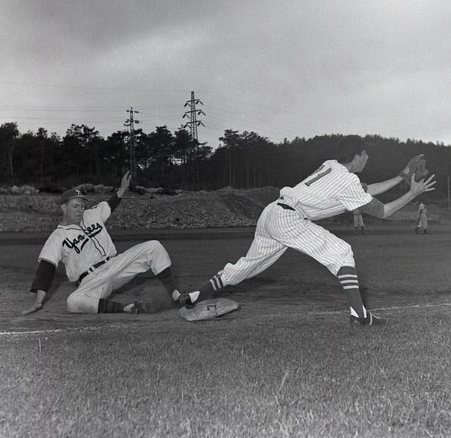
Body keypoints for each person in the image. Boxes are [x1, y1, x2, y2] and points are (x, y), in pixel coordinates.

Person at [179, 136, 436, 329]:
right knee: (342, 253)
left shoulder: (331, 165)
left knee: (247, 266)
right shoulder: (347, 181)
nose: (367, 158)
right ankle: (360, 316)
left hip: (272, 212)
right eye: (365, 153)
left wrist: (402, 176)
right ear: (356, 156)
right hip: (289, 219)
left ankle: (194, 296)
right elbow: (384, 212)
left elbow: (365, 190)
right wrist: (412, 193)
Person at [25, 172, 181, 315]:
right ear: (63, 208)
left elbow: (110, 204)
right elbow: (46, 268)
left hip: (116, 264)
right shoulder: (57, 237)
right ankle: (127, 308)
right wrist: (38, 301)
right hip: (91, 280)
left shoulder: (91, 214)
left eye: (82, 206)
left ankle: (175, 295)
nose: (80, 210)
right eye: (75, 206)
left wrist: (122, 188)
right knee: (73, 302)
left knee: (153, 246)